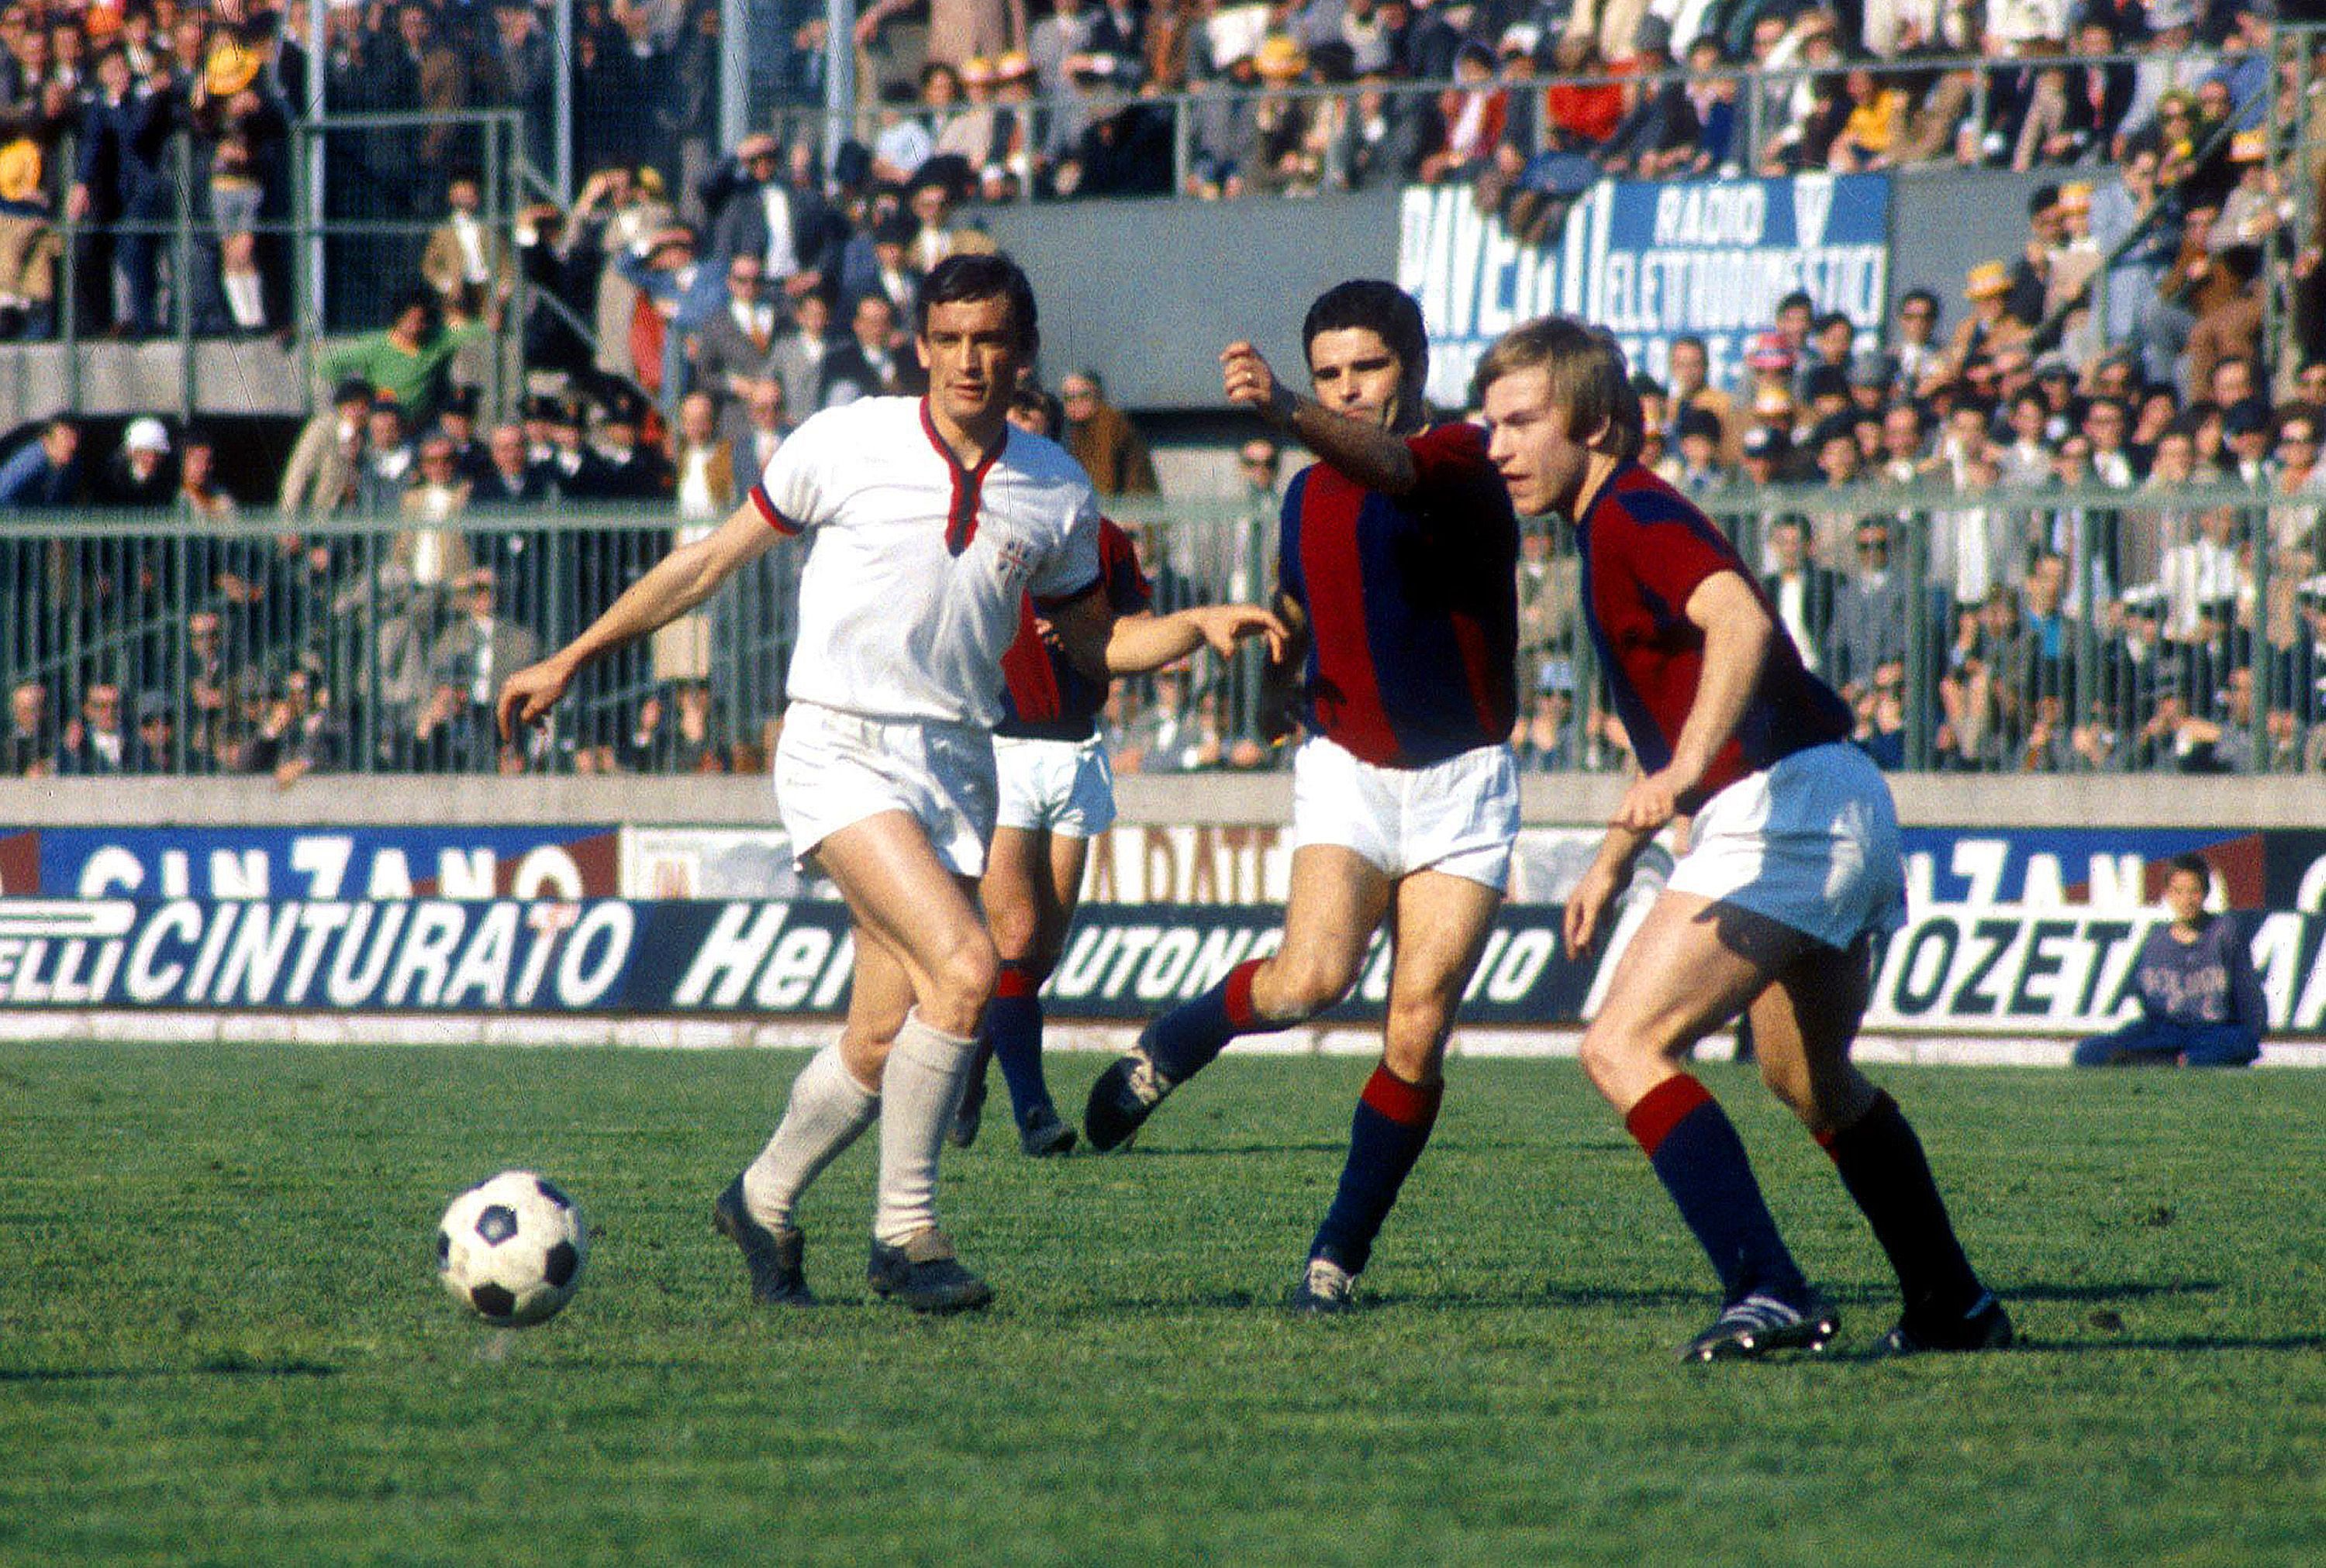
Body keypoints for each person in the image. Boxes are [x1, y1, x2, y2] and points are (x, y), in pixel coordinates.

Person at [499, 253, 1113, 1315]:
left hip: (959, 763)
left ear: (1025, 351)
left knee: (879, 1041)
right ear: (920, 345)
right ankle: (906, 1235)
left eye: (992, 339)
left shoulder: (1057, 487)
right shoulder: (844, 439)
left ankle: (764, 1196)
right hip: (839, 747)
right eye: (951, 337)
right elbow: (704, 564)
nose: (970, 358)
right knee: (968, 968)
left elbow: (1101, 639)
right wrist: (572, 655)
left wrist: (1203, 634)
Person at [1475, 315, 2010, 1361]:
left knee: (1623, 1043)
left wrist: (1678, 776)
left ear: (1593, 422)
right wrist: (1617, 851)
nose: (1497, 444)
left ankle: (1768, 1286)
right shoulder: (1613, 519)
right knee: (1809, 1081)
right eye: (1489, 422)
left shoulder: (1629, 507)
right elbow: (1697, 703)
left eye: (1521, 419)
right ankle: (1954, 1301)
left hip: (1787, 805)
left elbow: (1741, 622)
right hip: (1833, 792)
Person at [1083, 281, 1522, 1316]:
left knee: (1414, 1028)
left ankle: (1336, 1258)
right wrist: (1282, 661)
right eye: (1328, 373)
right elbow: (1310, 603)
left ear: (1409, 363)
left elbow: (1396, 468)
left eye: (1363, 368)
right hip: (1350, 767)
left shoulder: (1458, 454)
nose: (1347, 388)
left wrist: (1286, 408)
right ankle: (1175, 1044)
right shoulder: (1304, 497)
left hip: (1464, 780)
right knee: (1308, 981)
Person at [954, 385, 1282, 1157]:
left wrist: (1157, 628)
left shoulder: (1093, 535)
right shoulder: (969, 528)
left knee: (1041, 952)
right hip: (1001, 743)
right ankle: (1034, 1111)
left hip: (1076, 749)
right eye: (1018, 427)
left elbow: (1129, 629)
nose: (1027, 443)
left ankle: (973, 1063)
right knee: (1018, 932)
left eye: (1040, 430)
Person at [2073, 855, 2265, 1068]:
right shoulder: (2157, 940)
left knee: (2241, 1043)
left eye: (2194, 891)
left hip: (2212, 1029)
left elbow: (2249, 994)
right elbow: (2146, 999)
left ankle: (2172, 1060)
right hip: (2165, 1030)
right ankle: (2173, 1060)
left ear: (2205, 893)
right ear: (2167, 894)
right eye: (2178, 891)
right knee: (2089, 1052)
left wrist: (2250, 1034)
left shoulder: (2224, 932)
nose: (2187, 900)